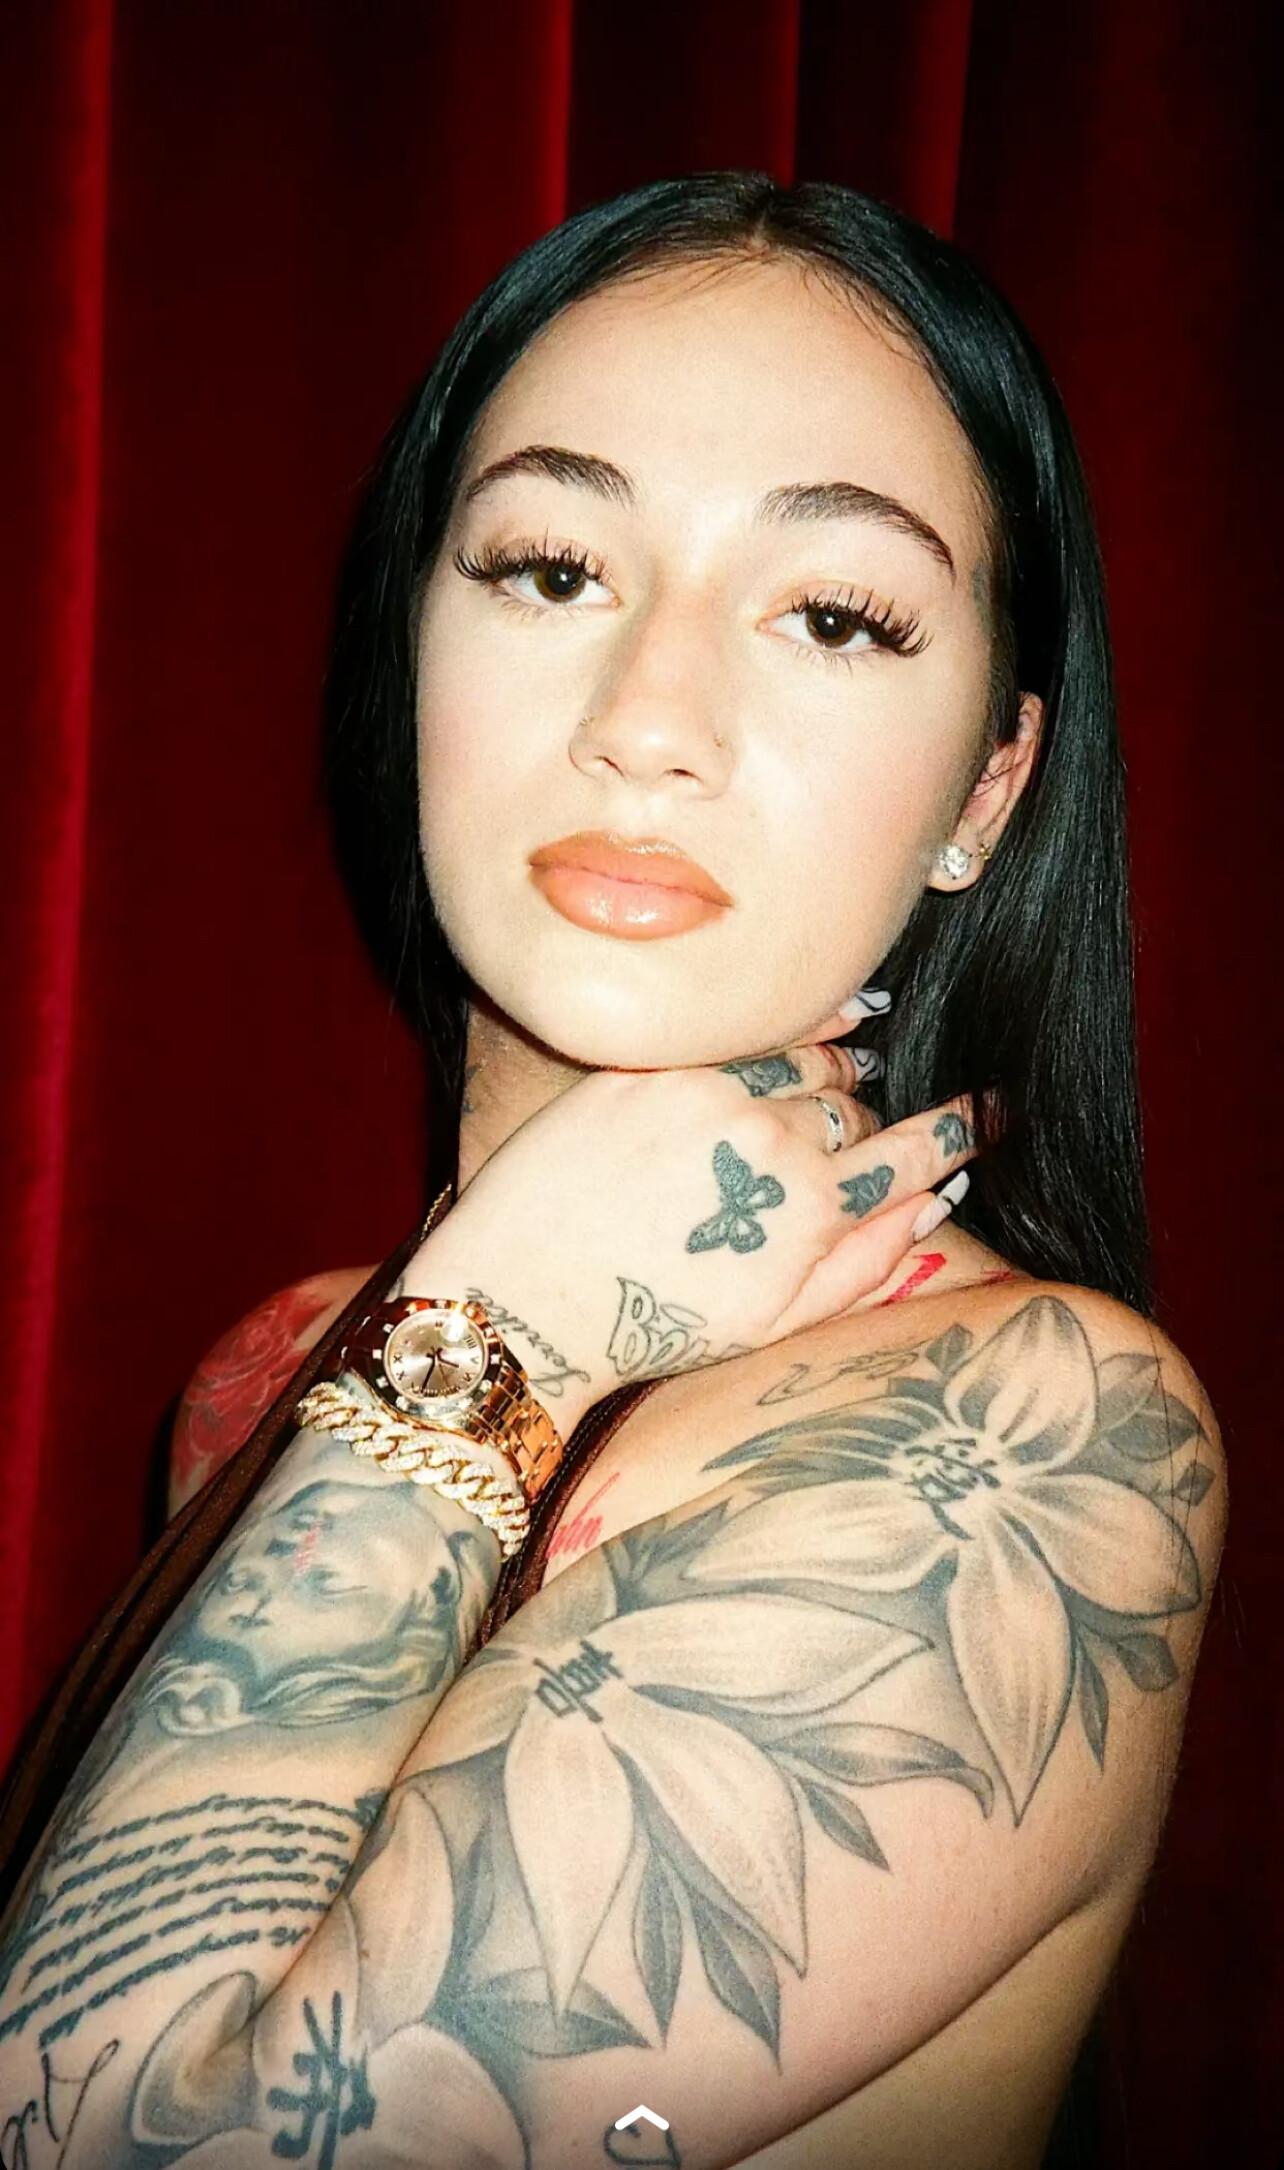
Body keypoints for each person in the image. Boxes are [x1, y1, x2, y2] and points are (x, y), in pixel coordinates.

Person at [0, 173, 1225, 2170]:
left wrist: (506, 1331)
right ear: (413, 653)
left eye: (833, 615)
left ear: (986, 789)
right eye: (553, 568)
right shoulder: (281, 1367)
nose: (650, 721)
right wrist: (481, 1339)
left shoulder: (1042, 1434)